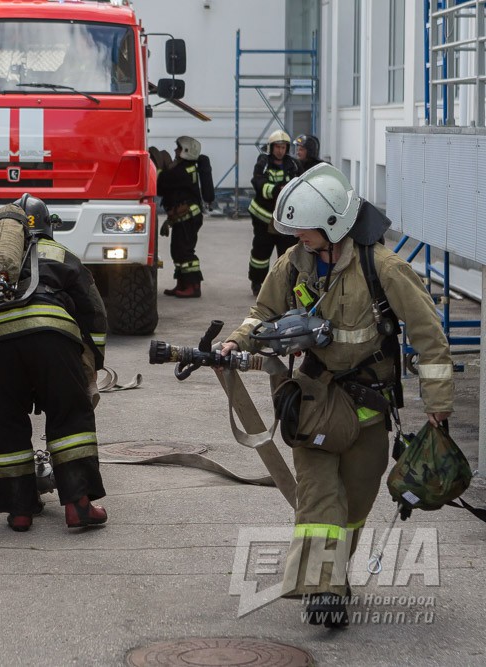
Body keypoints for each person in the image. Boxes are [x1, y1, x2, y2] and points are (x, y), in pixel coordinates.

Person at [220, 163, 454, 627]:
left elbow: (430, 337)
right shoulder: (294, 263)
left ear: (332, 224)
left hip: (368, 405)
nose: (298, 239)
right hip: (313, 400)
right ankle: (322, 589)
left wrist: (438, 406)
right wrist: (236, 340)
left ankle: (334, 574)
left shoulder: (384, 268)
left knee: (357, 500)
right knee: (320, 493)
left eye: (305, 231)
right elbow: (262, 311)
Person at [0, 195, 109, 532]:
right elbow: (94, 313)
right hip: (51, 340)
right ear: (48, 226)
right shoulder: (62, 256)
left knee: (7, 424)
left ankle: (20, 511)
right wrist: (91, 362)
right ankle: (79, 506)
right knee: (70, 416)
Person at [156, 136, 214, 298]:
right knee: (177, 251)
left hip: (188, 217)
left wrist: (158, 169)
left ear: (187, 151)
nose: (175, 151)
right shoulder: (185, 168)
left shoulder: (182, 171)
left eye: (178, 149)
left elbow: (161, 185)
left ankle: (193, 286)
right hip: (183, 218)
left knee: (185, 252)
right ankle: (181, 283)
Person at [247, 130, 299, 295]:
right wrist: (278, 189)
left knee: (287, 253)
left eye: (283, 147)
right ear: (271, 147)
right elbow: (258, 183)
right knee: (261, 253)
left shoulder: (294, 164)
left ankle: (286, 285)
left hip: (285, 218)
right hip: (263, 217)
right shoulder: (263, 162)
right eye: (277, 147)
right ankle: (257, 282)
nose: (280, 151)